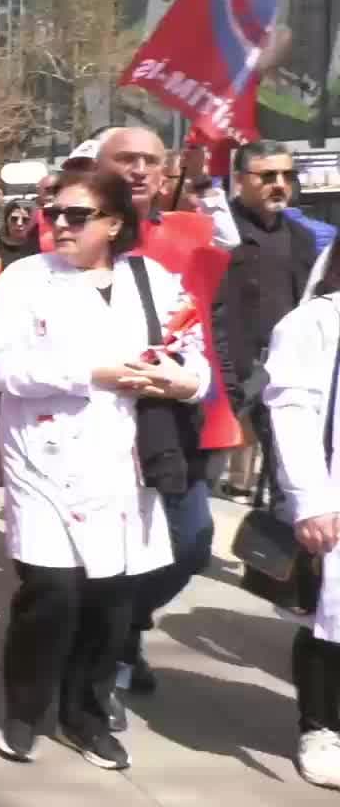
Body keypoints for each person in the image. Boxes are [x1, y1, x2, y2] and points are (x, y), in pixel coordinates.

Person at [0, 171, 201, 769]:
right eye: (56, 213)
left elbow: (192, 354)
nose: (60, 224)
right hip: (42, 458)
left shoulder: (151, 281)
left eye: (77, 216)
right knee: (50, 592)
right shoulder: (25, 279)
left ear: (114, 224)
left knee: (111, 601)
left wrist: (182, 381)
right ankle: (24, 710)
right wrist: (92, 372)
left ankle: (84, 713)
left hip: (124, 465)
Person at [91, 126, 240, 701]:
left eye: (150, 161)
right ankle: (101, 655)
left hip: (174, 420)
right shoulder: (70, 238)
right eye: (124, 159)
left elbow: (236, 255)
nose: (138, 170)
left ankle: (126, 624)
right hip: (97, 421)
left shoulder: (191, 232)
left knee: (193, 540)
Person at [262, 251, 340, 791]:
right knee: (330, 618)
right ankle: (321, 727)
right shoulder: (314, 322)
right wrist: (311, 499)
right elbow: (290, 409)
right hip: (334, 491)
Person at [215, 142, 316, 503]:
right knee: (201, 483)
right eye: (268, 175)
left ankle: (273, 557)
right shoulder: (218, 231)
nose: (280, 183)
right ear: (240, 180)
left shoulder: (302, 239)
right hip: (223, 375)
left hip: (284, 373)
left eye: (288, 175)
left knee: (287, 480)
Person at [0, 198, 39, 268]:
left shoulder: (39, 247)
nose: (19, 223)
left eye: (25, 220)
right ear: (6, 220)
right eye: (14, 219)